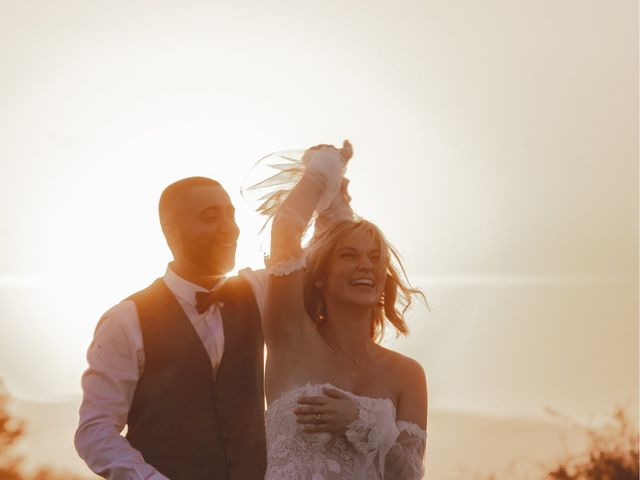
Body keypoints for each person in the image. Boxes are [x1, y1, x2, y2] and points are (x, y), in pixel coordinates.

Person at [75, 177, 267, 480]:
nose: (230, 227)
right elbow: (95, 429)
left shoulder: (258, 292)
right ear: (172, 231)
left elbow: (316, 262)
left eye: (231, 214)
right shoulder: (125, 320)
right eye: (210, 216)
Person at [260, 141, 428, 479]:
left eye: (374, 258)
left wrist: (360, 423)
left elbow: (409, 474)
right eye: (349, 256)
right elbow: (286, 227)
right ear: (319, 275)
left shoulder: (407, 374)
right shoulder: (290, 337)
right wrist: (325, 168)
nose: (365, 266)